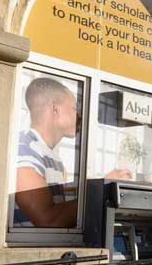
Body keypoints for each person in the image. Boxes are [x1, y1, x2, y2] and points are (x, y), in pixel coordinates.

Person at [15, 77, 131, 227]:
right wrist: (102, 190)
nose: (79, 116)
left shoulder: (51, 158)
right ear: (55, 109)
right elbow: (47, 220)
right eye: (74, 108)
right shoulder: (24, 152)